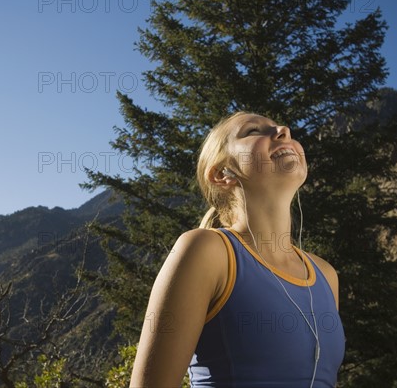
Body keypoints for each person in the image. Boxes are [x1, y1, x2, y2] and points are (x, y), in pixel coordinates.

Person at [130, 111, 345, 387]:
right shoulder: (207, 251)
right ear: (222, 174)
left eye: (282, 129)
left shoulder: (325, 274)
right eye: (254, 131)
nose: (283, 130)